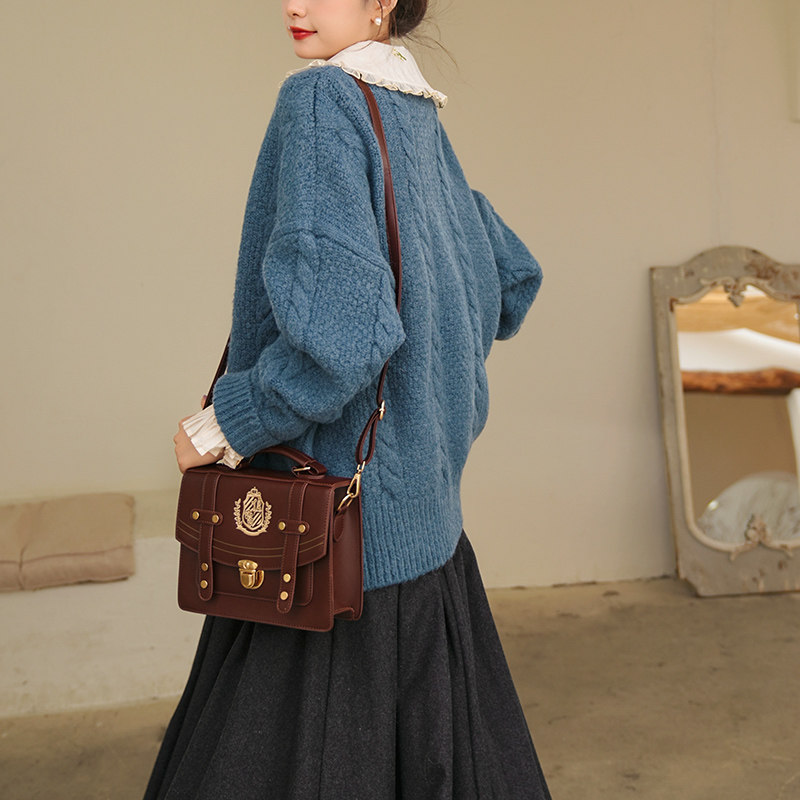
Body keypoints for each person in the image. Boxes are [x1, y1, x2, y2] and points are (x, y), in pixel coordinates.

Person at [146, 1, 551, 797]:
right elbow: (509, 278)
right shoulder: (416, 115)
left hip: (328, 547)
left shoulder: (321, 99)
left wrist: (230, 422)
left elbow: (343, 338)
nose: (294, 4)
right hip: (428, 539)